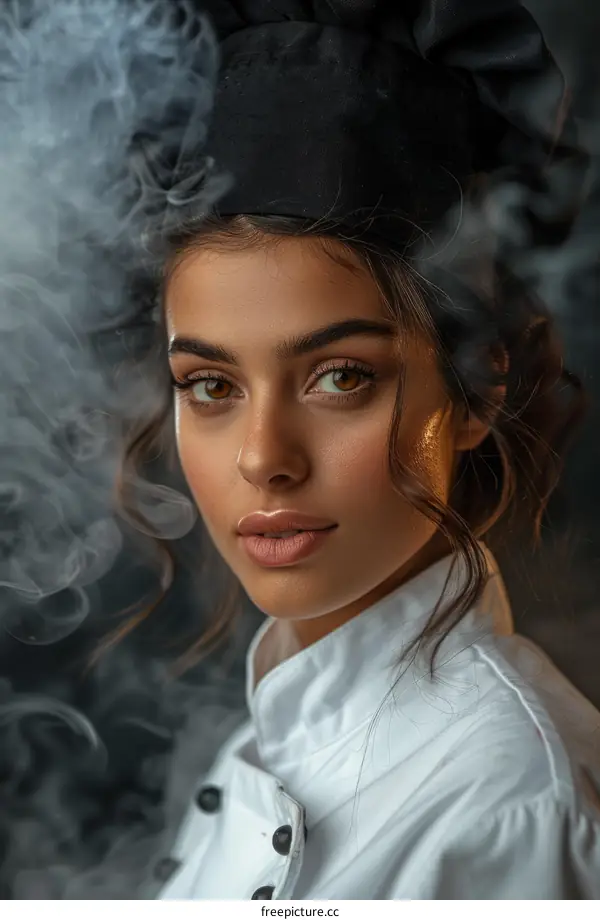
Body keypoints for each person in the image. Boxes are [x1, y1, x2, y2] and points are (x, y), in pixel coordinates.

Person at [118, 0, 600, 900]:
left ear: (478, 391)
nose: (265, 458)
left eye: (340, 377)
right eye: (211, 386)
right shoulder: (257, 739)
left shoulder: (511, 803)